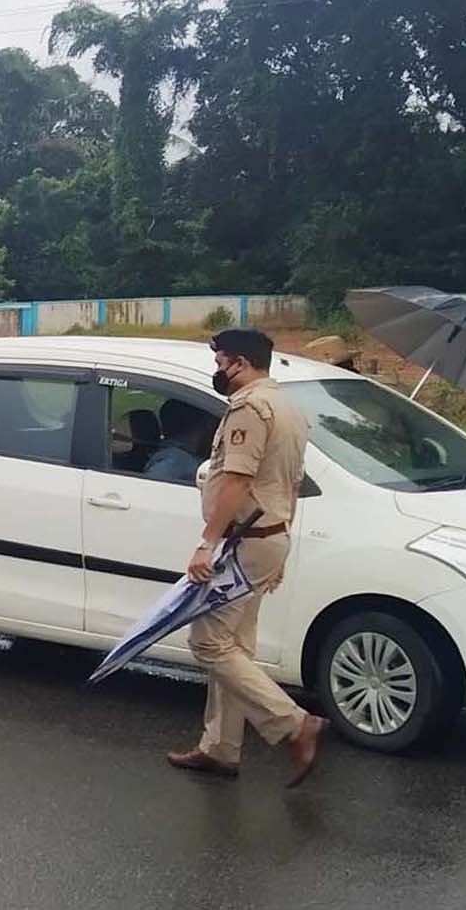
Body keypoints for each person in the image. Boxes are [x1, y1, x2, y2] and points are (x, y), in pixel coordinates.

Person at [169, 328, 327, 786]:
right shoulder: (288, 407)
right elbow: (291, 482)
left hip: (245, 542)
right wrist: (281, 545)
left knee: (209, 643)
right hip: (269, 536)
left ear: (240, 362)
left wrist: (207, 542)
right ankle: (220, 748)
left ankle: (295, 724)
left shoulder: (250, 408)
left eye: (220, 362)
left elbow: (237, 479)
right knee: (235, 647)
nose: (217, 370)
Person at [143, 400, 214, 483]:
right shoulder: (173, 463)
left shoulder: (180, 457)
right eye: (210, 423)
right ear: (201, 426)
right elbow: (150, 488)